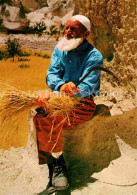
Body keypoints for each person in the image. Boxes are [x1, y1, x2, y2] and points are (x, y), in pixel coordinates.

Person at [34, 15, 103, 194]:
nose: (68, 32)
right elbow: (52, 75)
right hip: (60, 99)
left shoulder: (94, 56)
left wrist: (60, 93)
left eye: (73, 29)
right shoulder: (60, 49)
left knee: (52, 116)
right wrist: (59, 87)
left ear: (86, 33)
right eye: (66, 28)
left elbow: (87, 88)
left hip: (82, 105)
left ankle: (57, 165)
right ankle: (54, 163)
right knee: (41, 115)